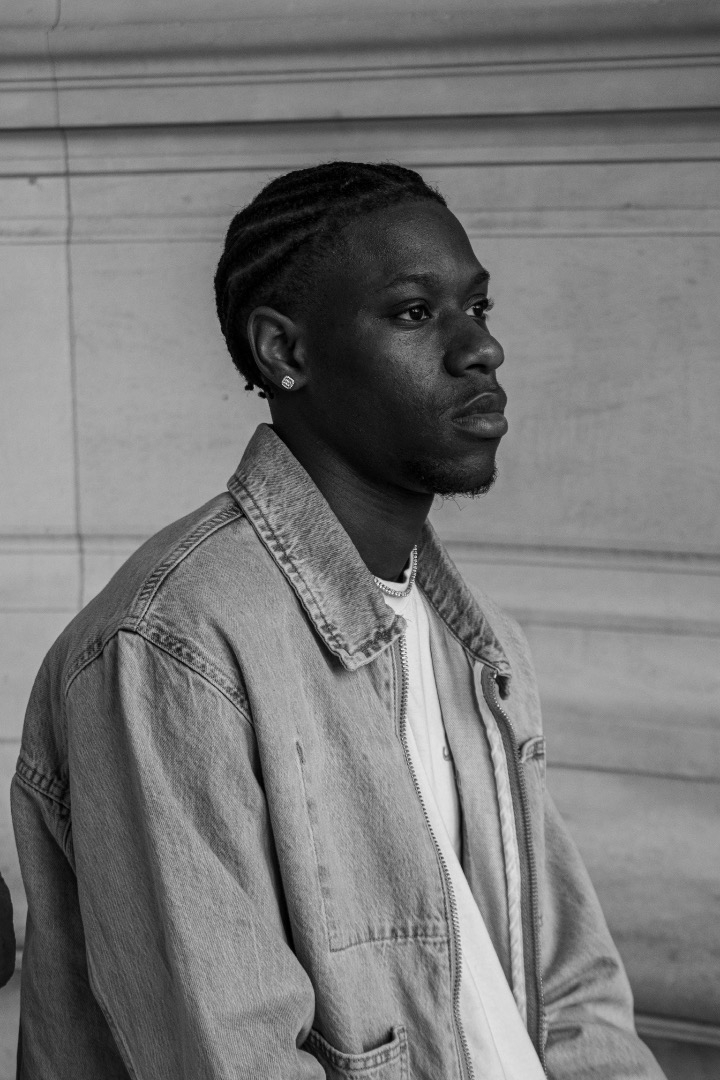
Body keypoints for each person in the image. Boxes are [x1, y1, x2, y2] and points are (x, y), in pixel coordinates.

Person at [12, 161, 665, 1079]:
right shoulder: (173, 648)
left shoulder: (482, 644)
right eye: (415, 312)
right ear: (285, 351)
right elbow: (231, 1055)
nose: (481, 348)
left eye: (479, 307)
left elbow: (572, 990)